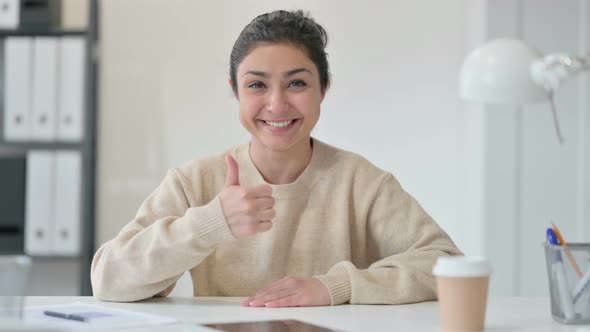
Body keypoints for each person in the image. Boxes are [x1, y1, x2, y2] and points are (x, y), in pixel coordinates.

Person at [91, 9, 462, 307]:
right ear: (234, 89)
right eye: (257, 85)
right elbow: (107, 279)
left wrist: (335, 286)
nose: (277, 104)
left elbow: (447, 264)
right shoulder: (196, 181)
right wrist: (210, 223)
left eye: (297, 83)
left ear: (324, 88)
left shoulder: (361, 182)